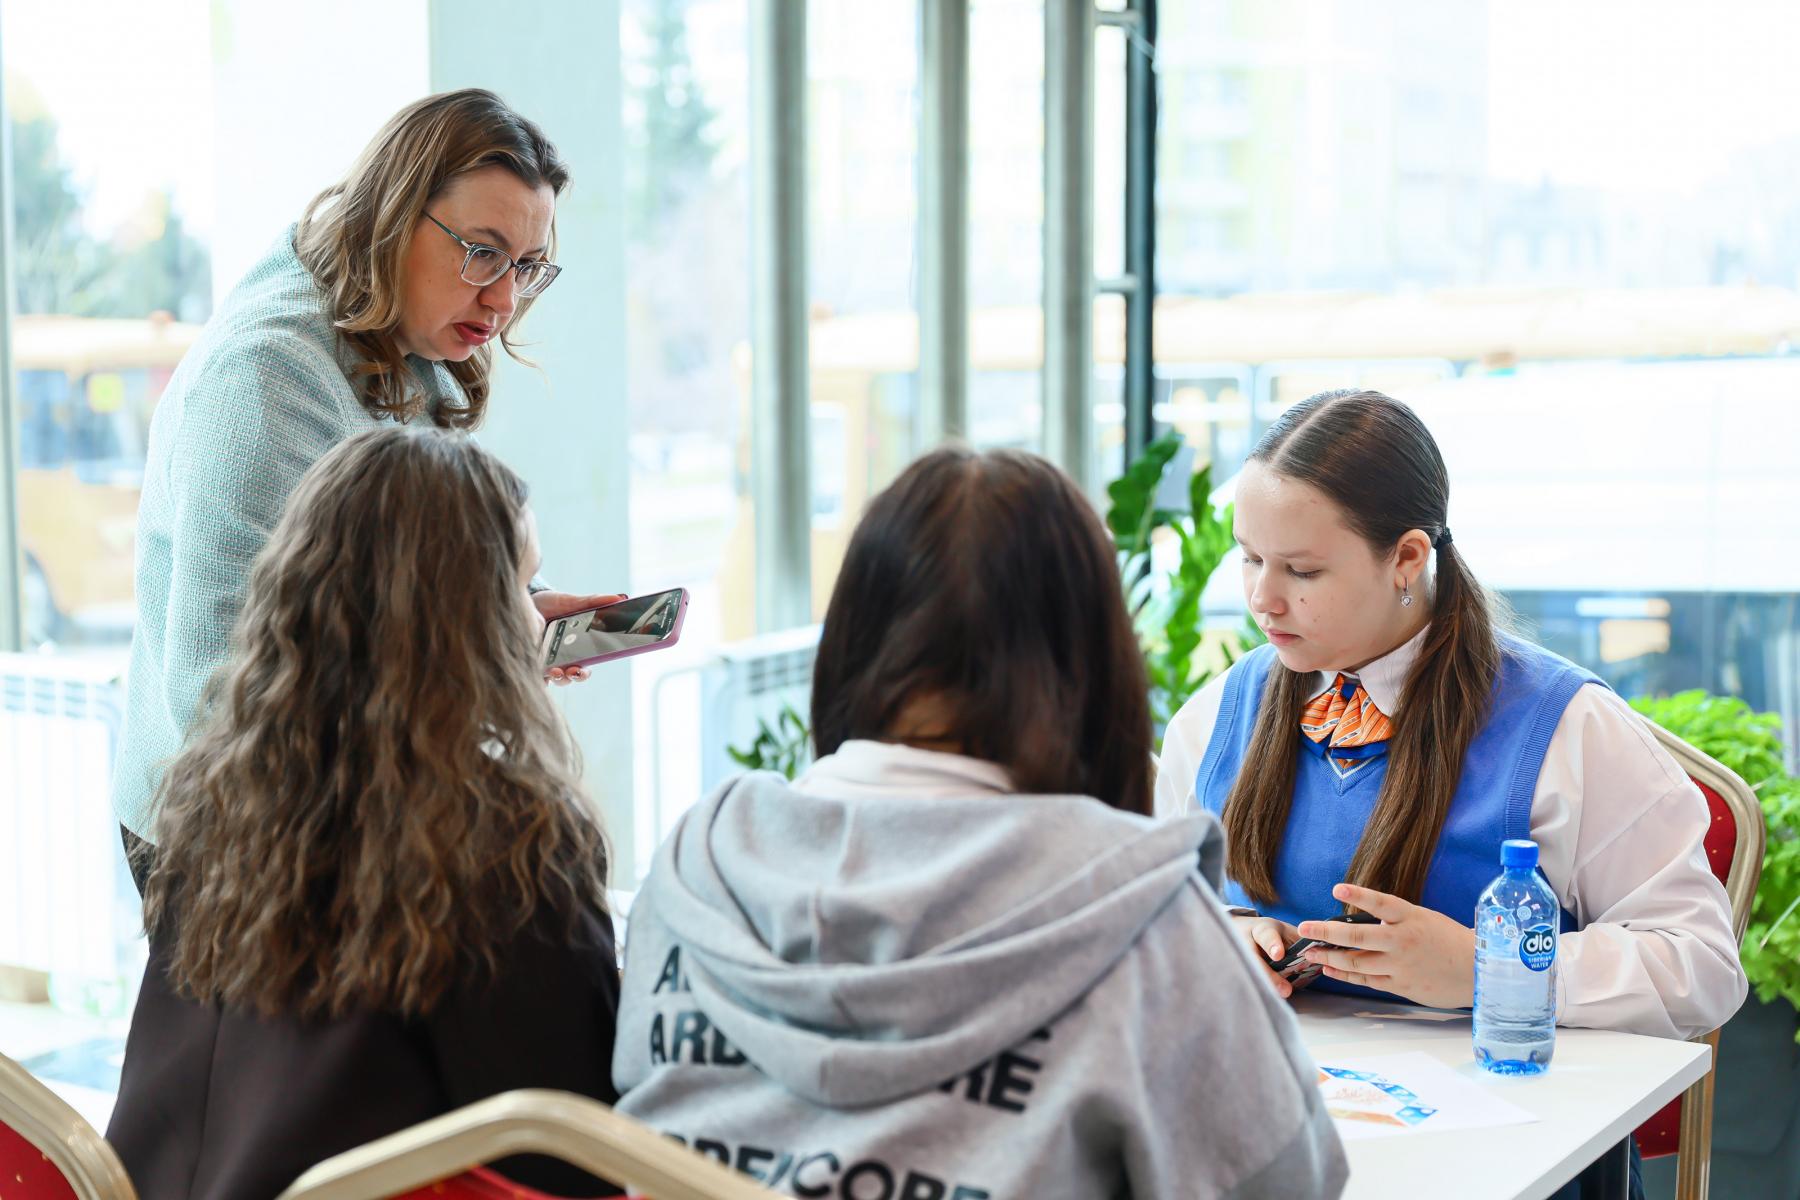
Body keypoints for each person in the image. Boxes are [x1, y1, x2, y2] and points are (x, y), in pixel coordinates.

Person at [612, 446, 1348, 1199]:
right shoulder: (1146, 919)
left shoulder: (692, 871)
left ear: (854, 636)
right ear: (1087, 660)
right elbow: (1286, 1180)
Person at [112, 88, 616, 881]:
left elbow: (408, 538)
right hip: (231, 838)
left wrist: (510, 604)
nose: (505, 298)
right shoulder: (264, 382)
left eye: (526, 266)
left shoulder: (399, 326)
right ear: (394, 214)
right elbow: (216, 693)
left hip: (331, 800)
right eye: (481, 252)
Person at [106, 427, 620, 1200]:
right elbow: (572, 1155)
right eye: (522, 587)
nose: (537, 618)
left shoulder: (211, 803)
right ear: (470, 623)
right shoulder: (510, 846)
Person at [1155, 389, 1745, 1044]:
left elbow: (1702, 967)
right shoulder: (1216, 714)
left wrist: (1488, 966)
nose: (1263, 599)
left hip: (1517, 1120)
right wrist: (1218, 934)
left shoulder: (1568, 728)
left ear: (1408, 557)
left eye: (1302, 570)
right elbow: (1152, 913)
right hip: (1289, 1111)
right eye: (1250, 558)